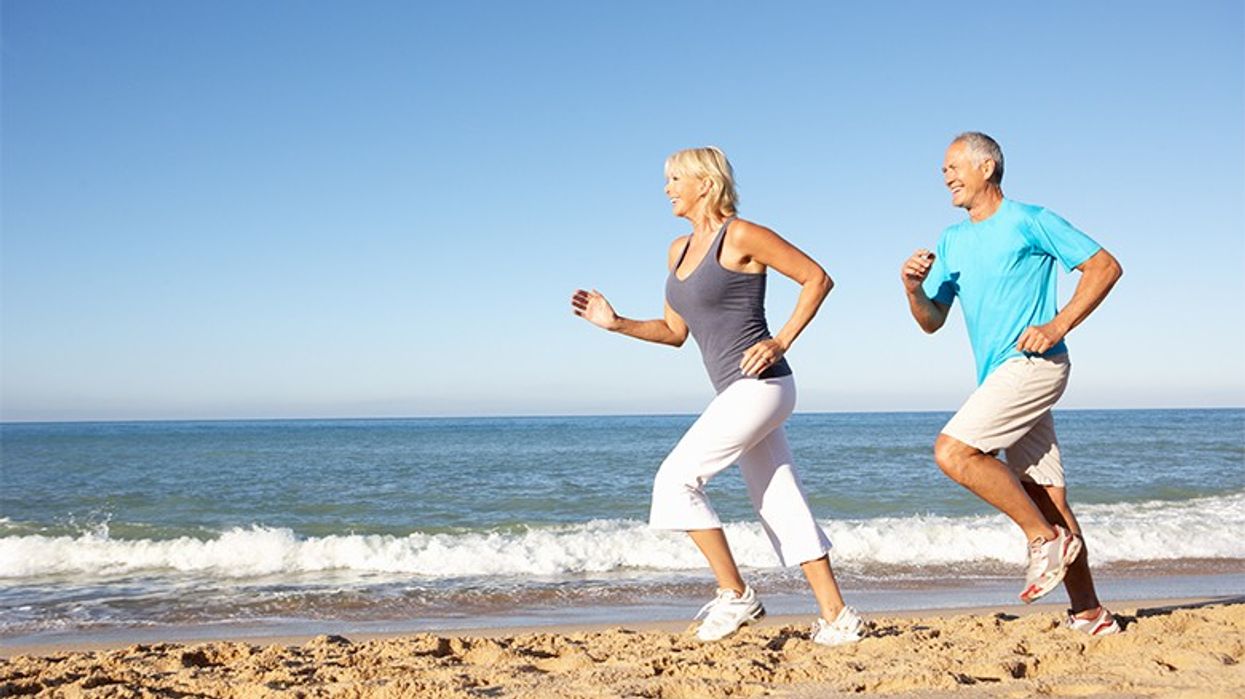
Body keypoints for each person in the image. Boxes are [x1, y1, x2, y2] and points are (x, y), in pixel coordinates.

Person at [571, 147, 862, 645]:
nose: (667, 188)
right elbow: (673, 331)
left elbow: (818, 278)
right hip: (740, 390)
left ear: (705, 184)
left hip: (763, 385)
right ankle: (838, 617)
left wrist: (780, 340)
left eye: (675, 178)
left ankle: (735, 594)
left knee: (674, 482)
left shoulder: (742, 235)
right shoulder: (677, 250)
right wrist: (615, 323)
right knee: (780, 501)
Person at [901, 132, 1124, 636]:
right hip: (1000, 377)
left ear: (987, 168)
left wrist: (1058, 324)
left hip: (1036, 364)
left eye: (954, 167)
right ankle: (1090, 613)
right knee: (1050, 498)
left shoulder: (1031, 220)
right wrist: (913, 289)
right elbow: (932, 319)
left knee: (954, 453)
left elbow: (1104, 266)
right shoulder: (951, 240)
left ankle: (1041, 539)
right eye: (943, 171)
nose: (947, 177)